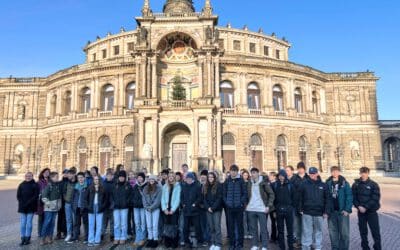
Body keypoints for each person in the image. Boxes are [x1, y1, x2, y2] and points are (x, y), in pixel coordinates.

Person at [298, 167, 331, 250]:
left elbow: (328, 199)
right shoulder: (303, 184)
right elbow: (299, 198)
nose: (312, 175)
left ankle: (318, 248)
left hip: (319, 213)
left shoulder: (323, 185)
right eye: (311, 174)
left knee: (318, 232)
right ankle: (306, 248)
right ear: (309, 174)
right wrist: (300, 209)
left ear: (317, 173)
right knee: (306, 232)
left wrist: (326, 211)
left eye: (314, 173)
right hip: (307, 212)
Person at [352, 166, 381, 250]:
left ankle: (377, 247)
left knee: (375, 231)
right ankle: (365, 247)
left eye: (365, 172)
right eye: (362, 173)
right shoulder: (355, 184)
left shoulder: (374, 184)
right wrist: (358, 206)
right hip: (361, 212)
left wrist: (365, 207)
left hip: (371, 212)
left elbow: (375, 198)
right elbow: (354, 197)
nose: (363, 174)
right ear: (360, 173)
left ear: (368, 173)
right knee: (363, 231)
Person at [246, 167, 275, 250]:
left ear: (258, 173)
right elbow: (246, 195)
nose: (253, 174)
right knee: (253, 229)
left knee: (263, 229)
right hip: (251, 209)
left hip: (261, 209)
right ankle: (255, 245)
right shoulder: (249, 183)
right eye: (252, 173)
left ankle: (265, 245)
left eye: (255, 172)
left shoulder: (263, 183)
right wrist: (246, 205)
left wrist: (268, 206)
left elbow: (271, 194)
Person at [326, 166, 352, 250]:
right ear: (331, 172)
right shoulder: (327, 183)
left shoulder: (344, 183)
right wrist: (326, 211)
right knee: (333, 232)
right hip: (332, 212)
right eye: (333, 171)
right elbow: (325, 198)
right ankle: (335, 248)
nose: (335, 173)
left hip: (342, 212)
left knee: (344, 233)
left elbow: (349, 196)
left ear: (339, 172)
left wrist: (347, 209)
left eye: (336, 171)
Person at [223, 164, 248, 250]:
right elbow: (224, 194)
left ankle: (240, 244)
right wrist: (227, 203)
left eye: (235, 171)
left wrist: (240, 202)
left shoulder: (241, 181)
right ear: (230, 171)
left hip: (239, 207)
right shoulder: (227, 181)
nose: (233, 172)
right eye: (232, 171)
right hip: (229, 207)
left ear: (237, 172)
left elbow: (245, 194)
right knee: (231, 226)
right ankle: (232, 244)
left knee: (240, 226)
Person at [273, 169, 295, 250]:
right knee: (280, 231)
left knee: (290, 231)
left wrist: (291, 208)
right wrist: (274, 210)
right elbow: (273, 199)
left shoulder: (290, 185)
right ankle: (282, 247)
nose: (281, 177)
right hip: (279, 211)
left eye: (282, 175)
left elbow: (294, 197)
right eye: (280, 175)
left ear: (285, 176)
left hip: (288, 211)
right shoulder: (275, 185)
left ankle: (290, 247)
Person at [181, 172, 203, 248]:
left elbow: (200, 197)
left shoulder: (197, 186)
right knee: (185, 227)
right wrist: (183, 204)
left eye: (190, 179)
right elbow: (182, 197)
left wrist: (195, 204)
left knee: (197, 226)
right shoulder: (184, 186)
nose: (188, 180)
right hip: (186, 210)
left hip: (195, 211)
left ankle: (199, 240)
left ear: (192, 179)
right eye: (187, 179)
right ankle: (186, 241)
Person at [17, 172, 39, 246]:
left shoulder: (35, 185)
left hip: (31, 206)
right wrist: (22, 203)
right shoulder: (21, 185)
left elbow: (36, 196)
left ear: (32, 177)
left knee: (29, 223)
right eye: (26, 176)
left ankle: (27, 238)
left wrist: (28, 203)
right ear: (25, 177)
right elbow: (18, 196)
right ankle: (22, 238)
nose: (28, 177)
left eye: (29, 176)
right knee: (23, 223)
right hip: (22, 207)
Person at [40, 171, 62, 245]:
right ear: (52, 178)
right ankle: (43, 238)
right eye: (56, 177)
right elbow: (44, 197)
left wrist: (59, 205)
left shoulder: (57, 185)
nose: (58, 178)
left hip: (55, 208)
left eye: (58, 177)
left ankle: (50, 237)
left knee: (52, 223)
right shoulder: (49, 186)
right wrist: (50, 204)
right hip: (49, 209)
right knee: (47, 223)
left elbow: (59, 197)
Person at [111, 170, 132, 245]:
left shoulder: (128, 185)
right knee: (116, 223)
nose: (121, 178)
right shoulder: (115, 185)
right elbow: (111, 196)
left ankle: (123, 237)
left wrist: (126, 203)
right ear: (118, 177)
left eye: (123, 177)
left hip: (124, 207)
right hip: (116, 207)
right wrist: (113, 203)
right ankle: (117, 237)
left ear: (125, 177)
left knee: (123, 223)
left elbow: (130, 196)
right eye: (120, 177)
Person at [203, 171, 223, 250]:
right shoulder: (205, 186)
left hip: (216, 209)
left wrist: (213, 208)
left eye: (212, 177)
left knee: (217, 227)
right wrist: (208, 207)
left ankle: (218, 243)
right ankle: (213, 242)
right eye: (209, 177)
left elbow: (219, 198)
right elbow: (204, 199)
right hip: (208, 209)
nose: (210, 178)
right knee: (211, 227)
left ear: (214, 178)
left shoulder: (218, 186)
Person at [161, 172, 182, 248]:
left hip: (174, 209)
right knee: (166, 225)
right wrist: (164, 209)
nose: (170, 177)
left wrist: (173, 209)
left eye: (172, 176)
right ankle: (167, 241)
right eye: (169, 176)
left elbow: (178, 199)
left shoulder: (178, 186)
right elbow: (162, 199)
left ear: (174, 177)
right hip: (166, 209)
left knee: (174, 225)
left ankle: (174, 242)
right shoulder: (164, 187)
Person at [86, 175, 108, 246]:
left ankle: (97, 240)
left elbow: (106, 199)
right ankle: (90, 240)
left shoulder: (103, 188)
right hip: (91, 208)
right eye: (95, 179)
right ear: (93, 180)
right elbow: (85, 198)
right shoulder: (89, 187)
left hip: (99, 207)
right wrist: (88, 206)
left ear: (99, 180)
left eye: (98, 179)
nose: (96, 181)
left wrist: (103, 206)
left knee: (99, 225)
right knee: (91, 225)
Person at [292, 161, 309, 248]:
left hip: (306, 205)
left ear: (304, 169)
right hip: (296, 205)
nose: (300, 170)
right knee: (297, 225)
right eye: (299, 168)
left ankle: (307, 241)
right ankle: (298, 241)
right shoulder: (294, 179)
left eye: (302, 168)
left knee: (306, 225)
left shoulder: (308, 178)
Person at [143, 175, 162, 248]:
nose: (151, 181)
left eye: (153, 180)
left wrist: (151, 207)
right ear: (148, 180)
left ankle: (155, 239)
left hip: (155, 209)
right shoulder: (145, 188)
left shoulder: (159, 188)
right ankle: (150, 239)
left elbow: (158, 200)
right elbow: (144, 199)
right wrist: (147, 207)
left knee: (154, 225)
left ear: (155, 181)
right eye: (150, 180)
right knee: (149, 225)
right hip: (147, 209)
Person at [71, 172, 89, 243]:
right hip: (76, 208)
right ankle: (75, 237)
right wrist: (73, 206)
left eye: (81, 177)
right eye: (79, 178)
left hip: (84, 208)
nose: (80, 179)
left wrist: (87, 206)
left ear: (84, 178)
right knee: (76, 223)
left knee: (86, 223)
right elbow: (72, 198)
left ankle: (86, 237)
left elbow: (89, 198)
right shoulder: (75, 187)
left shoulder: (87, 187)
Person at [132, 172, 148, 247]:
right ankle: (137, 238)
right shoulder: (135, 186)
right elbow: (132, 196)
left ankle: (142, 238)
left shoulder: (146, 186)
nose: (139, 178)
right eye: (138, 177)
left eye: (141, 177)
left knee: (143, 223)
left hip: (143, 207)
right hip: (135, 207)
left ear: (143, 178)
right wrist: (133, 202)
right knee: (137, 223)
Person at [63, 169, 76, 243]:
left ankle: (74, 234)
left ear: (74, 174)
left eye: (70, 174)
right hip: (67, 203)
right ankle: (69, 234)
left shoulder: (77, 182)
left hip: (74, 204)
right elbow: (64, 192)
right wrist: (66, 199)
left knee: (75, 220)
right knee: (68, 220)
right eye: (68, 174)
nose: (68, 176)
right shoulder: (66, 182)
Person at [37, 168, 50, 238]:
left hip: (49, 203)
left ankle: (46, 232)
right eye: (45, 172)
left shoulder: (51, 181)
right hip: (41, 203)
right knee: (41, 218)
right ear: (42, 173)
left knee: (47, 218)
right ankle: (40, 232)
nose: (46, 173)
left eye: (48, 172)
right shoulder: (39, 182)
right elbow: (37, 192)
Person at [102, 168, 114, 241]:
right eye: (108, 176)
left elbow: (115, 195)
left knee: (112, 222)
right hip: (105, 206)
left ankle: (112, 235)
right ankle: (102, 234)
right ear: (106, 176)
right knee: (104, 222)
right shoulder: (103, 184)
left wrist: (113, 204)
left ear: (112, 176)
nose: (109, 177)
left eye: (110, 176)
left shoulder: (114, 184)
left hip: (112, 206)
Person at [56, 169, 69, 240]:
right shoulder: (59, 182)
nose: (66, 174)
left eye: (67, 173)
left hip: (67, 202)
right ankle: (58, 232)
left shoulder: (70, 182)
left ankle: (65, 232)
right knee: (60, 218)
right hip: (60, 202)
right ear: (63, 174)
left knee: (66, 218)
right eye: (65, 173)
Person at [241, 169, 251, 239]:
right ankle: (245, 233)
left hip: (250, 203)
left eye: (246, 175)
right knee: (244, 219)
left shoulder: (250, 183)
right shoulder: (240, 183)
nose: (245, 176)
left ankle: (250, 232)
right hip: (243, 204)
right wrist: (244, 203)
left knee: (250, 219)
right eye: (244, 175)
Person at [269, 171, 278, 243]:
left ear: (274, 177)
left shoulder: (275, 185)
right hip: (270, 207)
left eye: (271, 176)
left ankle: (275, 237)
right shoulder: (269, 184)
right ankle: (273, 236)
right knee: (273, 222)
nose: (269, 177)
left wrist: (275, 209)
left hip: (274, 207)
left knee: (275, 223)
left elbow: (275, 197)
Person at [127, 171, 136, 239]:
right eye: (130, 175)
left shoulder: (136, 183)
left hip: (134, 203)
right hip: (128, 203)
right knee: (128, 218)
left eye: (132, 174)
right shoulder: (126, 183)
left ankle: (135, 231)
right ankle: (129, 232)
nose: (131, 175)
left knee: (134, 218)